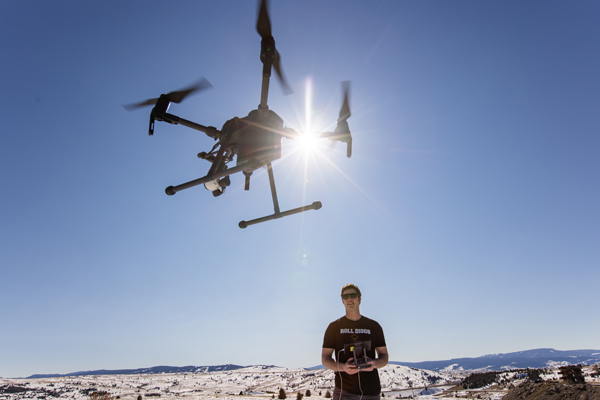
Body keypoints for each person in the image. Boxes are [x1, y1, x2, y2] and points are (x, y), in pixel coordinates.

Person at [322, 284, 389, 400]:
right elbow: (325, 359)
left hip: (371, 392)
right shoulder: (334, 327)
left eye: (353, 295)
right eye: (345, 296)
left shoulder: (374, 326)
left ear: (359, 299)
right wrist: (344, 367)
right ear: (342, 300)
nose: (349, 299)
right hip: (344, 392)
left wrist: (374, 364)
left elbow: (384, 356)